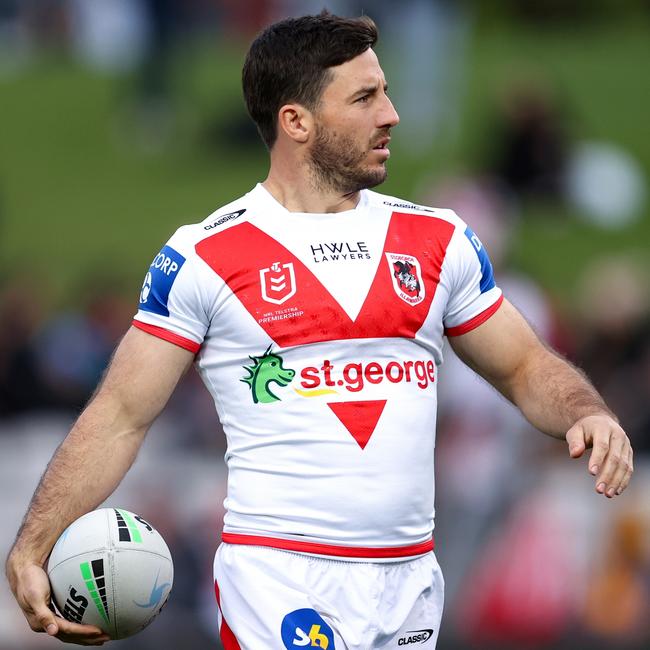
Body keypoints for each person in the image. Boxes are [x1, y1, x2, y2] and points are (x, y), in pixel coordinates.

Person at [5, 11, 633, 649]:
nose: (391, 114)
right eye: (365, 98)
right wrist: (33, 543)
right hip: (281, 581)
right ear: (295, 122)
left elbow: (524, 366)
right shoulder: (207, 257)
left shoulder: (438, 241)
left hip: (410, 583)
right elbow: (120, 414)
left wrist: (588, 410)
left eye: (384, 91)